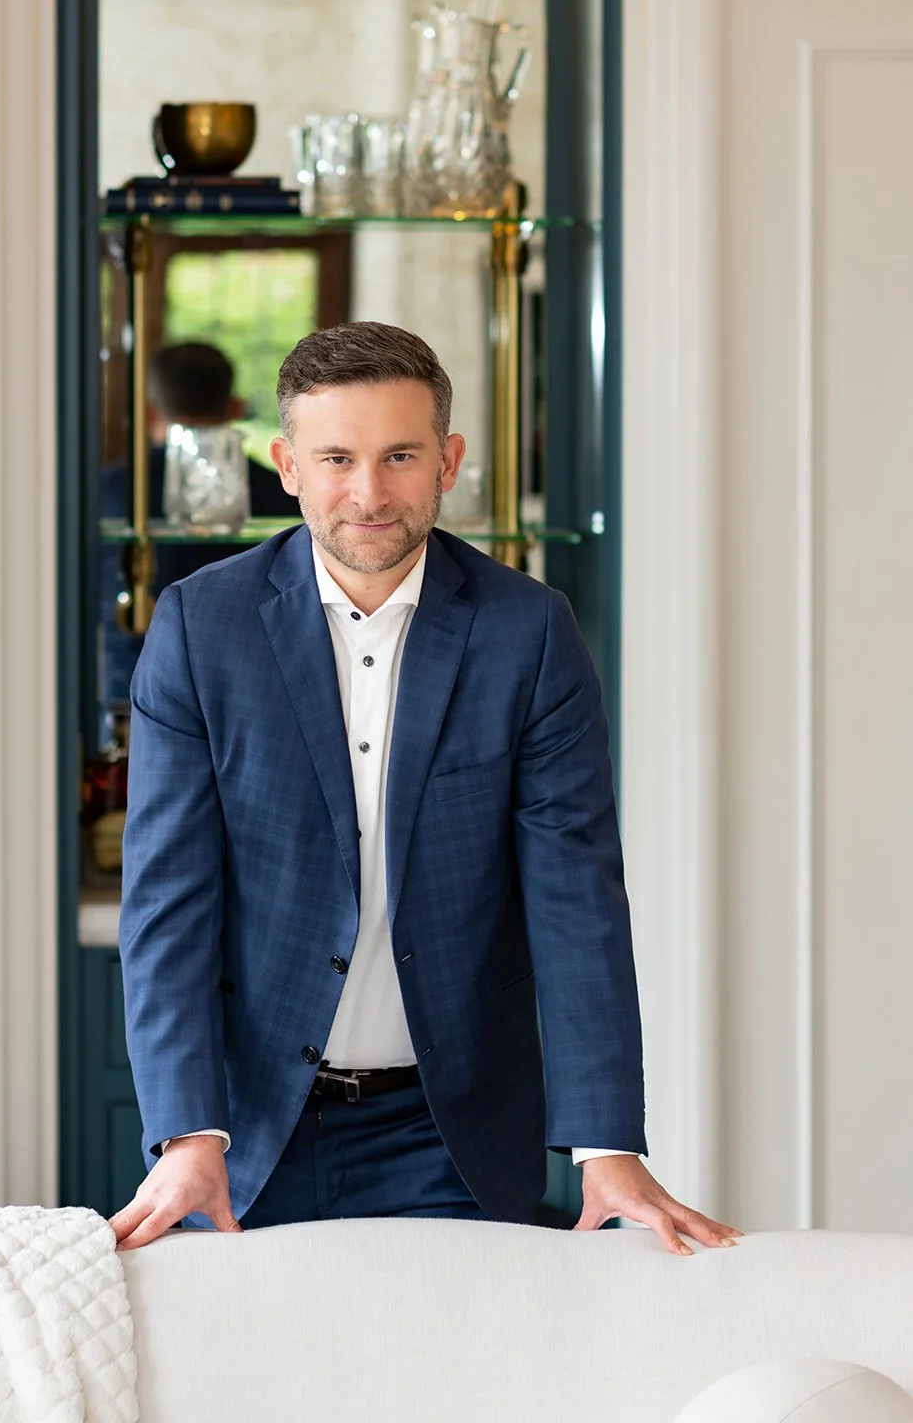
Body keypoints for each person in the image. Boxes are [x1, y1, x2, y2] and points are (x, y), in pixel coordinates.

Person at [113, 321, 740, 1253]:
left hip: (452, 1131)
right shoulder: (201, 628)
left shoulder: (529, 633)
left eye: (400, 456)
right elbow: (169, 900)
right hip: (244, 1129)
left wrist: (606, 1144)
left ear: (447, 461)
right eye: (336, 459)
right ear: (286, 466)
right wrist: (186, 1130)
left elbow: (574, 898)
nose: (368, 494)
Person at [100, 340, 297, 711]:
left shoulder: (107, 492)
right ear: (236, 407)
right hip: (251, 691)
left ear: (148, 412)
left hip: (128, 689)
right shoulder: (285, 493)